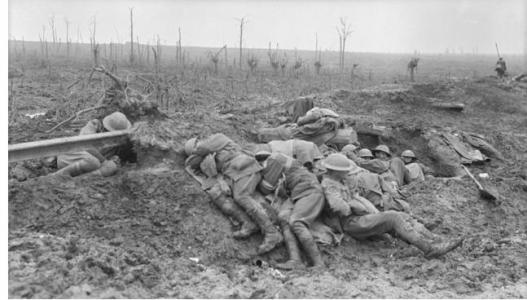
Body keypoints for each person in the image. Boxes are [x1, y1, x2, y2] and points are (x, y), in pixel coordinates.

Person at [320, 153, 464, 259]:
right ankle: (429, 248)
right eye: (344, 171)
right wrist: (354, 204)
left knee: (401, 215)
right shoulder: (329, 185)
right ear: (335, 170)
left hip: (359, 217)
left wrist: (371, 211)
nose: (347, 173)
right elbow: (341, 209)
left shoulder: (341, 182)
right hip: (350, 223)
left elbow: (357, 198)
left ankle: (434, 239)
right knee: (394, 217)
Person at [184, 134, 283, 254]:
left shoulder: (217, 138)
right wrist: (221, 182)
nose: (197, 148)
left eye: (196, 145)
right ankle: (247, 223)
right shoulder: (208, 158)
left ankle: (272, 232)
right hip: (232, 174)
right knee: (216, 193)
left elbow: (200, 150)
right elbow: (194, 166)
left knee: (241, 196)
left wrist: (195, 153)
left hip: (246, 168)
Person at [256, 151, 325, 269]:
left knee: (297, 222)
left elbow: (266, 188)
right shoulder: (281, 159)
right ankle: (295, 261)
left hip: (310, 190)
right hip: (296, 193)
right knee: (283, 218)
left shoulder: (273, 160)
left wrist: (258, 178)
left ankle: (319, 264)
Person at [185, 153, 259, 239]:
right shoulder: (216, 154)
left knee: (217, 194)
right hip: (241, 176)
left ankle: (248, 223)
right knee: (218, 193)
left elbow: (220, 171)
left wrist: (221, 181)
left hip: (242, 177)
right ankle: (248, 222)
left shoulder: (215, 157)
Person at [55, 112, 132, 177]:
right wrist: (104, 161)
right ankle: (57, 176)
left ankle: (81, 179)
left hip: (91, 166)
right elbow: (87, 145)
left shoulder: (116, 143)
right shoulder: (94, 125)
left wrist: (113, 159)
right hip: (70, 158)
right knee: (93, 162)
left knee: (112, 167)